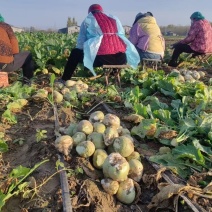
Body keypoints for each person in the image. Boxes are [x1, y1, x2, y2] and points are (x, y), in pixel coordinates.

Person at [58, 4, 140, 83]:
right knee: (113, 50)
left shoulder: (88, 20)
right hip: (122, 58)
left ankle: (65, 79)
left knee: (75, 53)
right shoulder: (113, 18)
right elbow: (121, 35)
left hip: (103, 59)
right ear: (102, 11)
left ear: (89, 12)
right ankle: (112, 75)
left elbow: (80, 43)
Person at [0, 14, 35, 85]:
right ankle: (27, 82)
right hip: (4, 65)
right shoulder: (5, 26)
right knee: (28, 55)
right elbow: (14, 45)